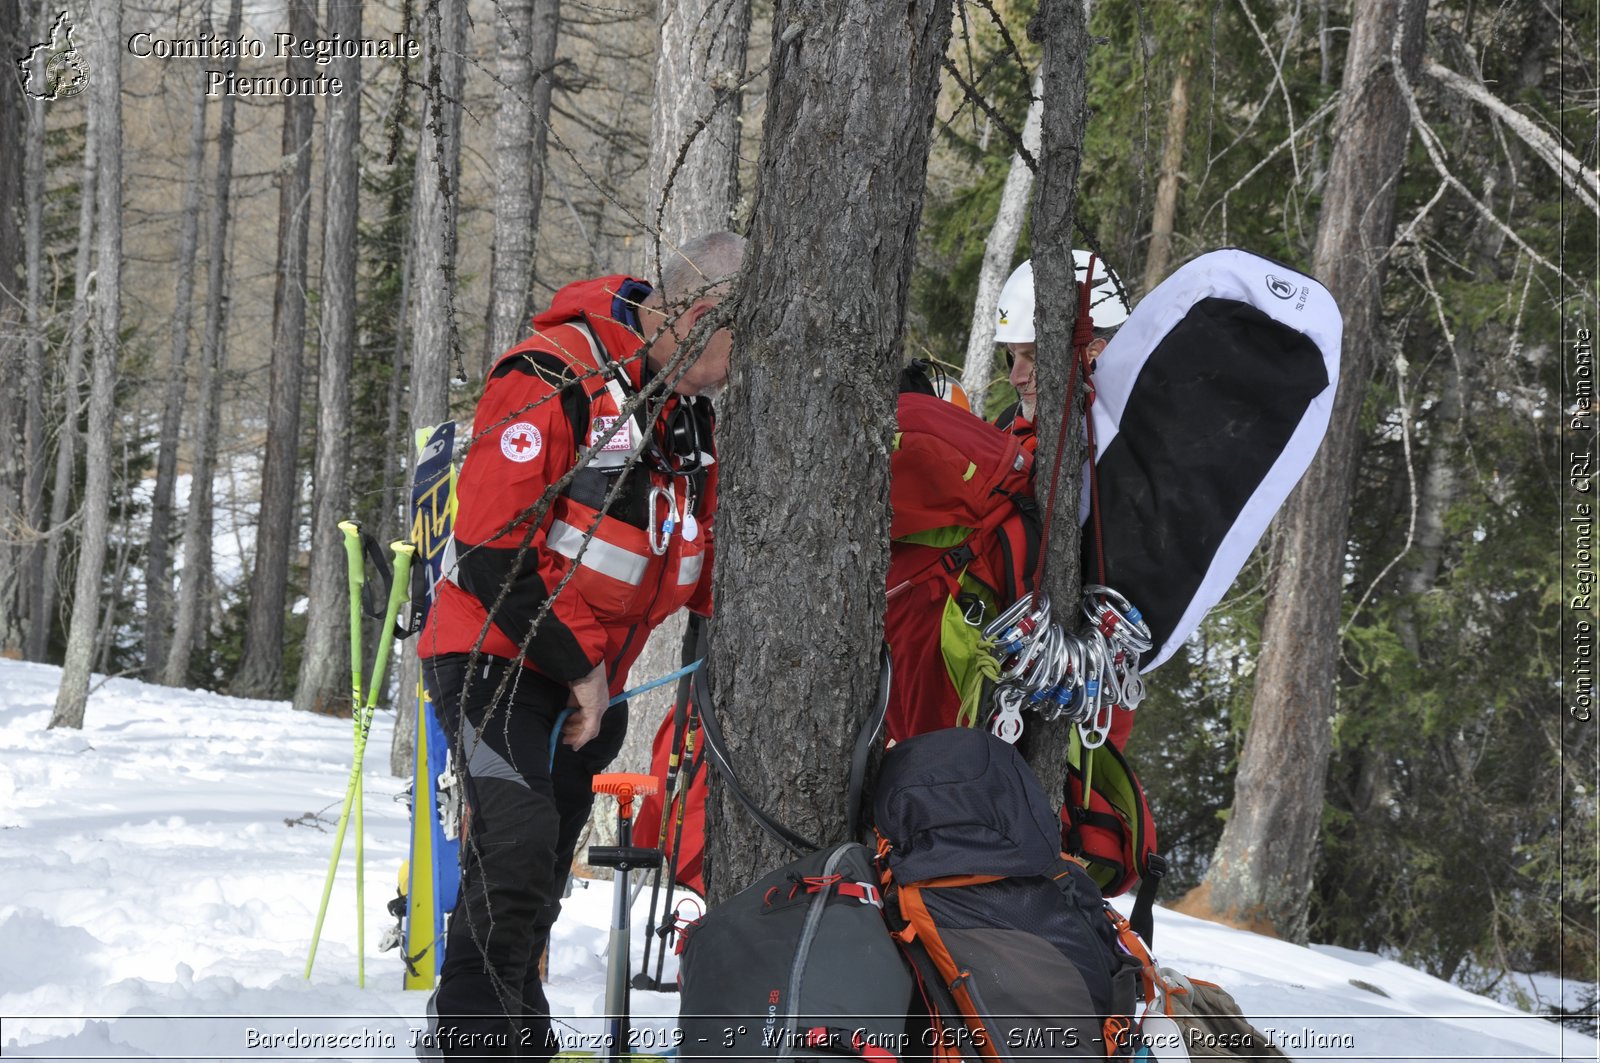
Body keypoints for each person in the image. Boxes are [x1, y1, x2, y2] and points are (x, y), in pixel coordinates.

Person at [416, 231, 745, 1060]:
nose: (748, 369)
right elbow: (490, 547)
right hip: (497, 656)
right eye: (746, 341)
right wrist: (584, 669)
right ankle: (467, 1040)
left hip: (585, 684)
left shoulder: (687, 420)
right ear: (703, 316)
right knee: (517, 845)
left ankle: (519, 1034)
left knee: (542, 871)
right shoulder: (556, 371)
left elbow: (693, 569)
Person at [992, 252, 1130, 452]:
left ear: (1092, 354)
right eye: (1013, 356)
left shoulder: (1133, 442)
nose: (1015, 378)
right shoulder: (1007, 428)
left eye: (1033, 357)